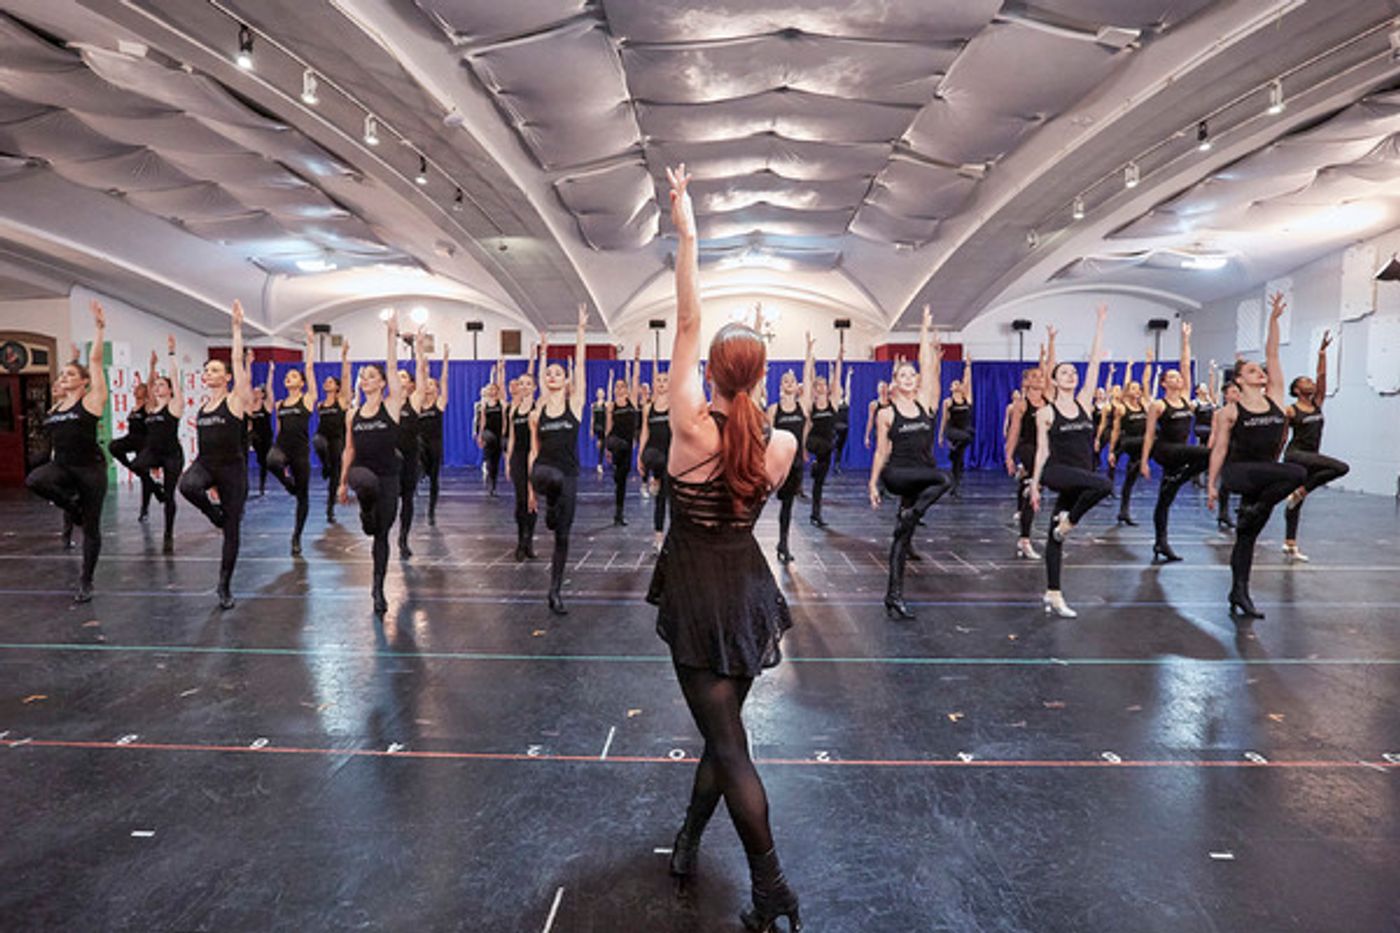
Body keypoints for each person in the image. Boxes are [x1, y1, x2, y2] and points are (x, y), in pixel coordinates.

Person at [650, 165, 801, 932]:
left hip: (698, 600)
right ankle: (688, 837)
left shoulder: (687, 426)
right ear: (765, 375)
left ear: (709, 372)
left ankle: (772, 886)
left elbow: (684, 321)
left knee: (730, 747)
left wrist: (688, 233)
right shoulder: (782, 443)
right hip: (747, 599)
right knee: (723, 736)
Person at [1207, 293, 1307, 620]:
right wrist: (1211, 484)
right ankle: (1259, 509)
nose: (1260, 372)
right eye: (1252, 370)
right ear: (1238, 379)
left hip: (1264, 472)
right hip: (1240, 473)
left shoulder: (1276, 397)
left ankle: (1239, 592)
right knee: (1293, 474)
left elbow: (1272, 353)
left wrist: (1275, 320)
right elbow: (1220, 448)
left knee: (1247, 537)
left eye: (1260, 370)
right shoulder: (1230, 411)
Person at [1029, 305, 1110, 618]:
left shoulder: (1085, 403)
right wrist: (1035, 485)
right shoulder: (1046, 412)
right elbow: (1041, 451)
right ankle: (1069, 522)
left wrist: (1099, 322)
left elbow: (1093, 365)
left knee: (1053, 537)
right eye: (1064, 372)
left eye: (1072, 372)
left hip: (1080, 474)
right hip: (1057, 471)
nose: (1071, 375)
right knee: (1103, 485)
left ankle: (1053, 593)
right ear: (1054, 380)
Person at [869, 306, 949, 620]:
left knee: (901, 538)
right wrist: (872, 483)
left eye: (911, 374)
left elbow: (928, 366)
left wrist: (925, 330)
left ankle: (894, 596)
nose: (908, 378)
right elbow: (880, 451)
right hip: (898, 474)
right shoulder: (886, 413)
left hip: (922, 473)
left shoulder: (925, 402)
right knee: (942, 481)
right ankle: (912, 514)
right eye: (902, 375)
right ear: (894, 381)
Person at [28, 300, 109, 603]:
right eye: (62, 376)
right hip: (62, 466)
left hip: (90, 470)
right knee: (35, 480)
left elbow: (97, 362)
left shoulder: (90, 402)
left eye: (70, 375)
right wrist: (70, 362)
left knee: (92, 529)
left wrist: (99, 330)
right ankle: (72, 508)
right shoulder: (56, 405)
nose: (63, 379)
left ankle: (86, 581)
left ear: (84, 382)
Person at [179, 301, 255, 610]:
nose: (208, 374)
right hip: (206, 464)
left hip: (232, 471)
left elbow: (236, 360)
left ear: (226, 378)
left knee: (232, 531)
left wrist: (235, 329)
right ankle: (214, 514)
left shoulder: (235, 402)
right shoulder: (203, 407)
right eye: (206, 370)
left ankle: (224, 586)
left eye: (213, 370)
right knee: (186, 486)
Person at [339, 312, 414, 615]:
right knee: (366, 482)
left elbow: (394, 366)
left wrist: (392, 335)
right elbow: (348, 449)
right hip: (361, 473)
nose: (366, 379)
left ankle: (378, 588)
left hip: (389, 477)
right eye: (363, 376)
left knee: (381, 534)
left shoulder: (391, 407)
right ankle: (365, 506)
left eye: (372, 375)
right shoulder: (352, 414)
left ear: (383, 383)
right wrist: (343, 482)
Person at [529, 304, 589, 615]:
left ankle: (554, 590)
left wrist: (580, 332)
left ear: (566, 381)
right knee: (549, 479)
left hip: (569, 474)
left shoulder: (575, 404)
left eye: (558, 373)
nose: (552, 376)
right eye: (548, 373)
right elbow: (533, 450)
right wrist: (543, 350)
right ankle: (549, 502)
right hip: (542, 471)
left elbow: (580, 365)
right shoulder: (538, 410)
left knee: (562, 536)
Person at [1140, 323, 1207, 563]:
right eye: (1172, 377)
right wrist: (1145, 462)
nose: (1178, 379)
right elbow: (1149, 435)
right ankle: (1180, 480)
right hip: (1165, 450)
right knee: (1208, 453)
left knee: (1165, 498)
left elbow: (1186, 366)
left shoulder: (1187, 400)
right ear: (1164, 383)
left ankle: (1161, 542)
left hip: (1179, 453)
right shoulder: (1158, 405)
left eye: (1179, 377)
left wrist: (1185, 339)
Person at [1281, 330, 1347, 562]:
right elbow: (1281, 436)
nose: (1310, 383)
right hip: (1296, 455)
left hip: (1311, 455)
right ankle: (1300, 491)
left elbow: (1322, 377)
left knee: (1296, 503)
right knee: (1341, 467)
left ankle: (1290, 544)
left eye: (1310, 381)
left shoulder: (1318, 403)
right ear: (1297, 390)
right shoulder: (1291, 410)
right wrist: (1275, 456)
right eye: (1304, 382)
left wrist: (1322, 353)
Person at [265, 326, 319, 557]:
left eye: (294, 376)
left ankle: (296, 535)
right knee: (270, 461)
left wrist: (309, 344)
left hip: (300, 451)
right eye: (287, 377)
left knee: (303, 497)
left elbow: (309, 367)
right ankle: (288, 483)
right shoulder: (280, 405)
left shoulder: (308, 400)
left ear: (302, 383)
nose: (289, 378)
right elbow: (278, 429)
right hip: (282, 446)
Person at [129, 336, 184, 554]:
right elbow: (149, 384)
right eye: (157, 385)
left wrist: (171, 354)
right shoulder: (150, 407)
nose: (158, 387)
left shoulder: (174, 406)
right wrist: (151, 366)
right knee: (136, 466)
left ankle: (168, 534)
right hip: (152, 453)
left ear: (170, 390)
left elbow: (175, 379)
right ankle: (155, 488)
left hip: (171, 455)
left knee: (170, 497)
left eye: (163, 385)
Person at [767, 343, 814, 563]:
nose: (789, 384)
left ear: (797, 387)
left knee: (787, 505)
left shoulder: (803, 406)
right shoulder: (773, 410)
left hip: (794, 464)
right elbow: (766, 439)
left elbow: (809, 378)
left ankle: (783, 542)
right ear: (780, 385)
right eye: (785, 381)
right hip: (776, 463)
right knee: (759, 501)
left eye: (792, 381)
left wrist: (808, 354)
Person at [1004, 359, 1050, 561]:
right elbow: (1014, 432)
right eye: (1033, 377)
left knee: (1031, 495)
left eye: (1040, 376)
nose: (1039, 379)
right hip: (1028, 448)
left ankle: (1028, 484)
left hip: (1045, 449)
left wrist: (1051, 342)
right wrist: (1009, 456)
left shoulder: (1049, 401)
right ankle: (1024, 539)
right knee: (1035, 489)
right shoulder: (1021, 405)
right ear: (1025, 383)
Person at [506, 343, 543, 562]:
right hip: (518, 457)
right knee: (521, 500)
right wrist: (508, 461)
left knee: (532, 500)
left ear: (534, 387)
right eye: (521, 383)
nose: (524, 386)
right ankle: (521, 541)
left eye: (528, 383)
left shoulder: (537, 408)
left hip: (535, 457)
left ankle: (529, 542)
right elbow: (511, 436)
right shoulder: (513, 409)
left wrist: (540, 354)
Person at [1108, 351, 1153, 526]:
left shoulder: (1144, 404)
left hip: (1140, 444)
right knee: (1119, 466)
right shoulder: (1121, 407)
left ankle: (1123, 511)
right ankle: (1109, 485)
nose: (1137, 390)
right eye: (1133, 388)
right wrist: (1112, 451)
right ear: (1128, 391)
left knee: (1130, 479)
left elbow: (1147, 382)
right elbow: (1116, 430)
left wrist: (1148, 364)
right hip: (1126, 442)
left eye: (1138, 388)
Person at [394, 336, 428, 557]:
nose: (400, 378)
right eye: (396, 376)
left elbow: (422, 374)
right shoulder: (386, 403)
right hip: (389, 458)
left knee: (407, 499)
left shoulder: (414, 402)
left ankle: (403, 538)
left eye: (404, 376)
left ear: (410, 383)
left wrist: (419, 349)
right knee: (388, 500)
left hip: (409, 458)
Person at [313, 341, 352, 524]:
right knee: (317, 442)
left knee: (335, 477)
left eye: (330, 381)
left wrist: (344, 357)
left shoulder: (342, 401)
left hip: (338, 439)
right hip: (323, 436)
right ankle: (325, 465)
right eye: (325, 381)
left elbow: (345, 378)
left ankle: (330, 509)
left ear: (336, 387)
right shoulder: (320, 404)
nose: (326, 383)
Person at [637, 347, 672, 551]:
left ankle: (673, 536)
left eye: (664, 380)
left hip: (671, 454)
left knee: (668, 496)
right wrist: (640, 458)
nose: (661, 383)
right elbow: (644, 433)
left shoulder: (675, 405)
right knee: (660, 498)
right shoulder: (648, 408)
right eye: (658, 380)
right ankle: (658, 535)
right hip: (654, 453)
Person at [108, 372, 153, 523]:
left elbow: (151, 387)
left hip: (144, 442)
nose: (137, 390)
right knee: (113, 446)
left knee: (145, 477)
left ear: (145, 392)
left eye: (140, 389)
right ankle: (135, 470)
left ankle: (144, 509)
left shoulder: (148, 406)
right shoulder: (133, 407)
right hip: (131, 438)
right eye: (136, 388)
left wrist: (152, 367)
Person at [805, 347, 842, 528]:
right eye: (818, 385)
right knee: (823, 448)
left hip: (826, 445)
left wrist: (839, 360)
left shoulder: (832, 402)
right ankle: (814, 464)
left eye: (824, 385)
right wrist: (810, 359)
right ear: (814, 388)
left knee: (819, 482)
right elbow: (809, 378)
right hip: (814, 440)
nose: (822, 387)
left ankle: (815, 513)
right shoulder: (811, 405)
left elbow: (837, 381)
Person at [605, 348, 642, 526]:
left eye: (622, 386)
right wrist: (607, 448)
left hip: (627, 444)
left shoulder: (632, 401)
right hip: (615, 441)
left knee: (621, 480)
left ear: (626, 389)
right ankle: (618, 512)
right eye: (617, 387)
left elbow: (635, 379)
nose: (619, 389)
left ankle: (618, 514)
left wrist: (636, 359)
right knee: (619, 476)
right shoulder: (611, 405)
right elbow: (608, 427)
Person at [418, 342, 451, 525]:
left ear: (436, 389)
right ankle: (419, 471)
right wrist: (423, 365)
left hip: (435, 444)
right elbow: (421, 377)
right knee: (417, 447)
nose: (429, 386)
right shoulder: (419, 404)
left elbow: (444, 380)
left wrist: (445, 360)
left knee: (434, 479)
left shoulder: (439, 404)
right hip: (421, 444)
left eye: (432, 384)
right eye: (427, 384)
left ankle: (431, 508)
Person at [939, 356, 974, 497]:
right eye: (954, 384)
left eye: (958, 383)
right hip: (953, 431)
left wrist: (968, 366)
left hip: (964, 431)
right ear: (951, 388)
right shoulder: (948, 402)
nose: (957, 385)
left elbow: (968, 381)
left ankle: (955, 488)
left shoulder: (967, 399)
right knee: (967, 437)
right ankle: (954, 448)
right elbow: (944, 419)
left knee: (957, 462)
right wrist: (941, 435)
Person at [475, 363, 505, 496]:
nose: (492, 391)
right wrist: (480, 435)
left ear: (497, 391)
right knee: (489, 457)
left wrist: (499, 371)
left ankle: (493, 484)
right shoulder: (484, 404)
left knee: (496, 461)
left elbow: (504, 419)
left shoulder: (502, 403)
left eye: (495, 389)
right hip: (489, 433)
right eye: (490, 389)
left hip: (499, 433)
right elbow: (482, 421)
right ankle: (486, 468)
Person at [246, 381, 274, 496]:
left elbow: (270, 389)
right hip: (255, 436)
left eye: (257, 392)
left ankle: (262, 485)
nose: (255, 393)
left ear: (262, 394)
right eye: (254, 392)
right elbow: (249, 424)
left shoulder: (266, 405)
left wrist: (271, 373)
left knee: (264, 462)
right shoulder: (251, 407)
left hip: (266, 436)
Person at [832, 369, 851, 474]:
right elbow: (832, 384)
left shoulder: (846, 400)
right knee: (832, 445)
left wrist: (848, 375)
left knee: (840, 448)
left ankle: (837, 465)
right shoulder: (834, 401)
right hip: (835, 427)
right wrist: (831, 371)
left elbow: (848, 389)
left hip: (844, 427)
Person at [591, 387, 608, 475]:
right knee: (601, 446)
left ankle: (603, 463)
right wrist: (591, 429)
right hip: (597, 427)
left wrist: (611, 379)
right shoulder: (593, 405)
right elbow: (592, 418)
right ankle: (599, 464)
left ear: (604, 394)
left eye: (602, 392)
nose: (600, 394)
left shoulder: (606, 404)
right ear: (597, 394)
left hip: (605, 427)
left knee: (605, 446)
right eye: (599, 393)